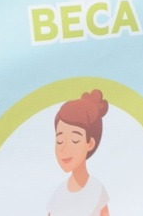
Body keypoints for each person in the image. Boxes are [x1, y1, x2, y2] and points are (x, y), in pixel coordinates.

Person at [49, 88, 111, 216]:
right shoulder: (59, 193)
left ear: (90, 143)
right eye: (60, 140)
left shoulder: (96, 190)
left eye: (75, 139)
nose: (64, 148)